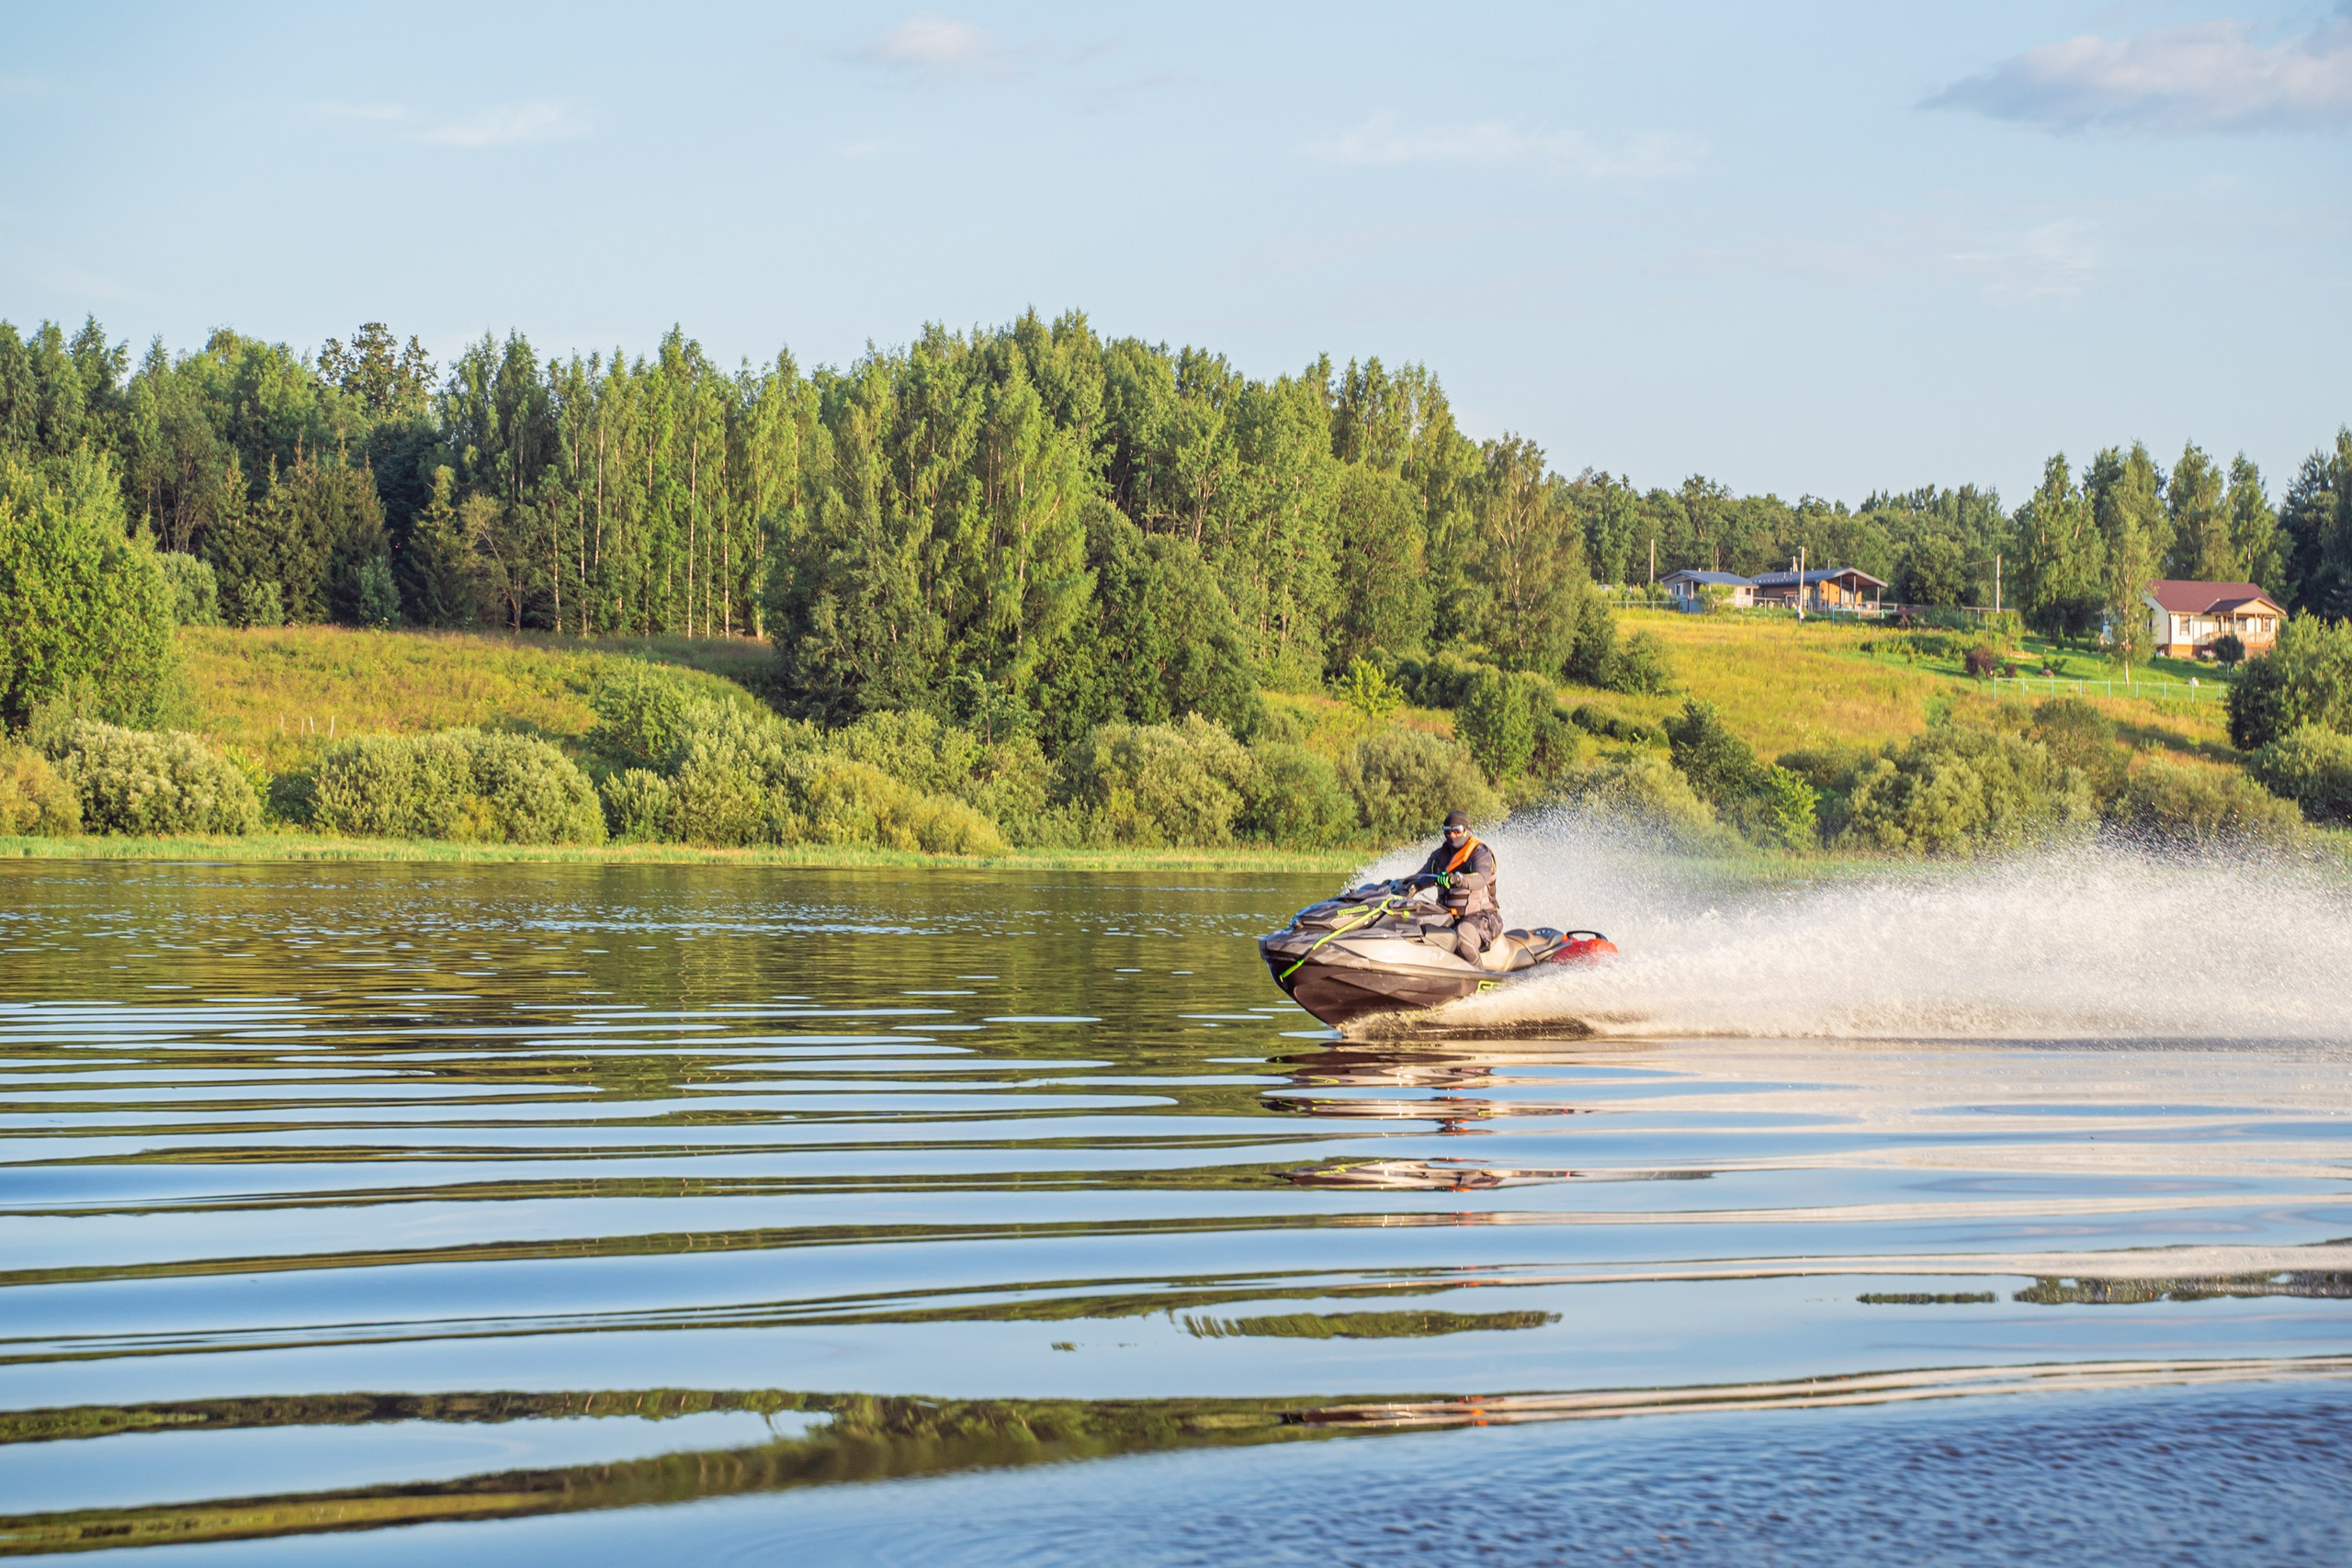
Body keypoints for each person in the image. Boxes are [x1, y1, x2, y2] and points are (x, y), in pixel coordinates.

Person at [1409, 809, 1500, 959]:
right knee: (1414, 928)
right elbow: (1421, 878)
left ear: (1467, 830)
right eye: (1448, 831)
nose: (1452, 835)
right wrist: (1397, 885)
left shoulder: (1480, 852)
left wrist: (1459, 880)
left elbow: (1480, 879)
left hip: (1483, 918)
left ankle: (1478, 978)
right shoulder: (1439, 856)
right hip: (1447, 916)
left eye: (1457, 830)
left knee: (1462, 937)